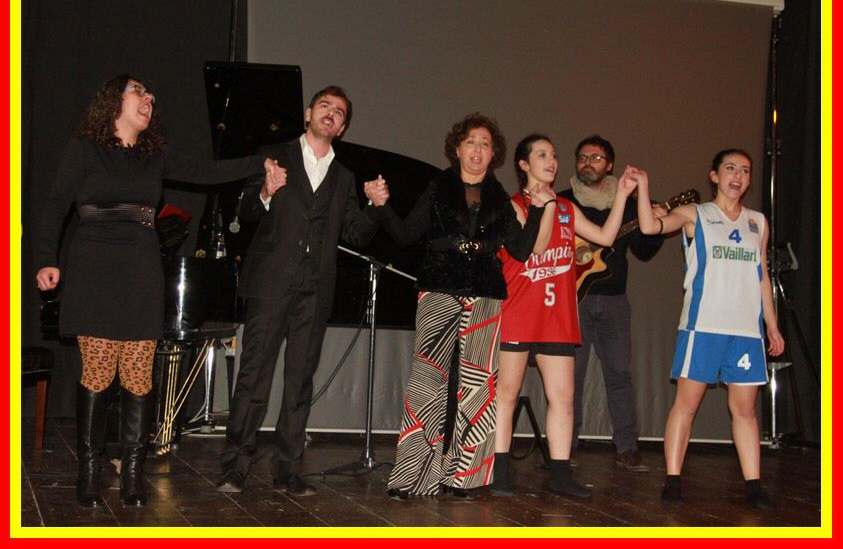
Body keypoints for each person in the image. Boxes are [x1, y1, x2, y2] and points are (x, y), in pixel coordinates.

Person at [35, 74, 274, 508]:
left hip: (141, 269)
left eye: (149, 95)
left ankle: (132, 471)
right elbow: (55, 205)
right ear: (114, 102)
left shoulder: (154, 156)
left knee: (138, 374)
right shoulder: (84, 149)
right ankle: (88, 469)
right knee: (97, 372)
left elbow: (207, 172)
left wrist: (261, 162)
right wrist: (46, 258)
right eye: (138, 92)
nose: (149, 98)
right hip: (93, 267)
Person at [217, 85, 389, 497]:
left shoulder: (344, 177)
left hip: (315, 290)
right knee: (254, 375)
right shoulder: (274, 156)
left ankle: (288, 468)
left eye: (339, 112)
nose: (331, 113)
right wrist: (265, 191)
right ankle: (235, 465)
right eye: (324, 106)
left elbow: (355, 234)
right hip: (271, 283)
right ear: (309, 113)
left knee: (300, 382)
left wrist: (374, 207)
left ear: (342, 127)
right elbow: (245, 211)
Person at [380, 113, 557, 499]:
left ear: (494, 154)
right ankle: (413, 477)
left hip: (485, 293)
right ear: (457, 149)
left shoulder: (499, 198)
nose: (477, 150)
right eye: (471, 142)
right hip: (439, 288)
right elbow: (405, 234)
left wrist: (539, 210)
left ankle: (465, 477)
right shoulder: (437, 189)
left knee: (478, 387)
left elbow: (521, 250)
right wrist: (382, 206)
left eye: (485, 144)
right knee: (428, 381)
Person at [633, 149, 785, 509]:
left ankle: (754, 486)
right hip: (703, 327)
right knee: (686, 405)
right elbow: (649, 227)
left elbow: (762, 276)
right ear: (714, 176)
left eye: (745, 170)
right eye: (730, 168)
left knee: (745, 410)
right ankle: (673, 479)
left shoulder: (757, 222)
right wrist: (642, 188)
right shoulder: (695, 214)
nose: (738, 175)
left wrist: (772, 325)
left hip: (745, 332)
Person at [494, 135, 643, 498]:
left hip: (556, 316)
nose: (551, 161)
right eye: (541, 155)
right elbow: (536, 247)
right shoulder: (512, 206)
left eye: (554, 155)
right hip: (518, 312)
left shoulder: (566, 207)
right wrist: (544, 207)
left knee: (563, 397)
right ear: (524, 165)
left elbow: (606, 237)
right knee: (507, 395)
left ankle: (560, 475)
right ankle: (499, 472)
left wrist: (623, 195)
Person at [559, 135, 664, 471]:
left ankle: (627, 447)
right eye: (582, 157)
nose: (588, 162)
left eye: (596, 157)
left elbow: (644, 251)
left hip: (615, 302)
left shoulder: (630, 206)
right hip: (573, 302)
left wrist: (656, 225)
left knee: (619, 374)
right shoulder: (563, 201)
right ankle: (565, 446)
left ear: (610, 165)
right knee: (571, 377)